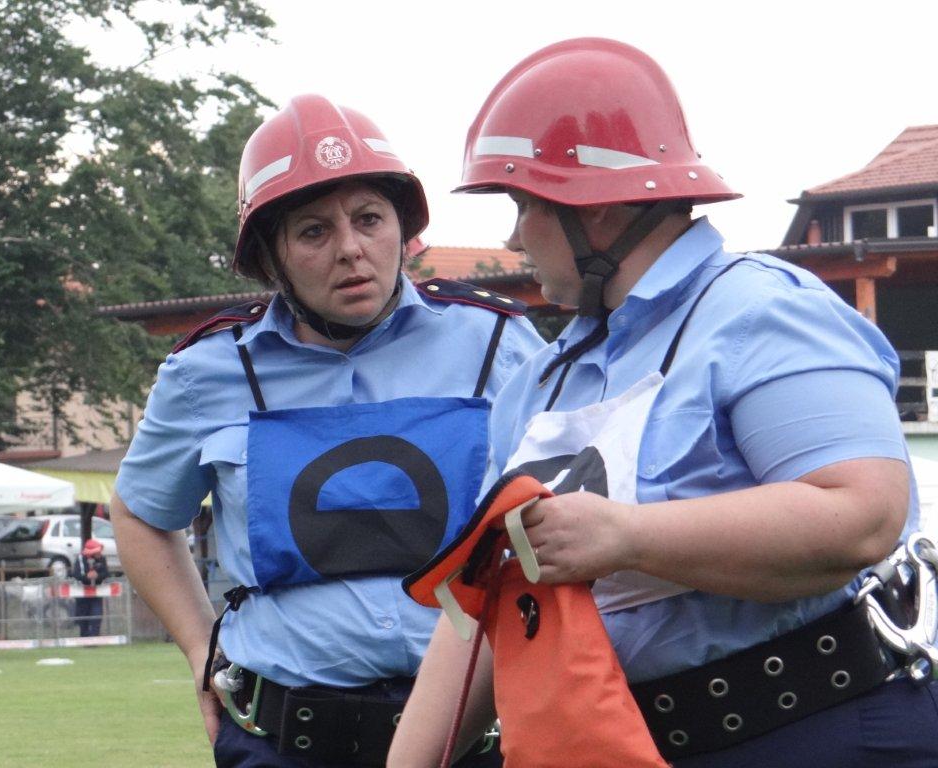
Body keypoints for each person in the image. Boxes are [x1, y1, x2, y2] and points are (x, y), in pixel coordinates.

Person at [389, 38, 938, 768]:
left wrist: (628, 536)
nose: (513, 235)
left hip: (821, 730)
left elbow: (862, 513)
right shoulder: (539, 384)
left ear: (602, 210)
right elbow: (484, 608)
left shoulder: (761, 311)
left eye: (525, 203)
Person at [112, 93, 544, 767]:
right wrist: (202, 653)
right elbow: (140, 513)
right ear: (270, 257)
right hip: (284, 744)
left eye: (369, 218)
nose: (351, 249)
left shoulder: (500, 341)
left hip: (478, 739)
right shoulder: (207, 371)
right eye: (313, 231)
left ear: (403, 226)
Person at [73, 538, 109, 638]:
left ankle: (94, 638)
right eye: (97, 551)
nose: (99, 553)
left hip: (97, 593)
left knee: (96, 615)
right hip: (82, 593)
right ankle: (84, 638)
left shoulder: (102, 559)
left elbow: (106, 573)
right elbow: (76, 574)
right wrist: (87, 577)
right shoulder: (81, 558)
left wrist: (97, 575)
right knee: (83, 616)